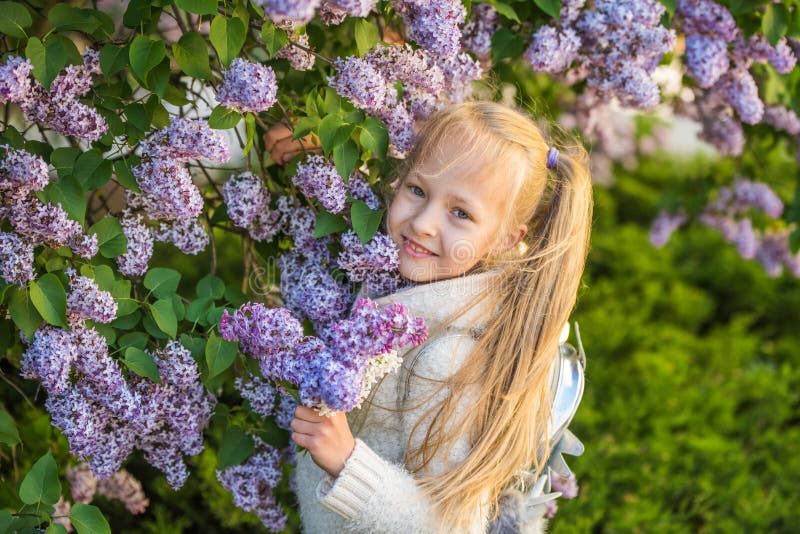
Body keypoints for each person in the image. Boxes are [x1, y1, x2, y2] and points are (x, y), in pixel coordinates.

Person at [289, 100, 593, 533]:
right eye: (417, 190)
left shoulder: (450, 360)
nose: (424, 224)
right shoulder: (406, 280)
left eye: (461, 213)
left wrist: (347, 465)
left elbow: (454, 524)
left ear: (507, 240)